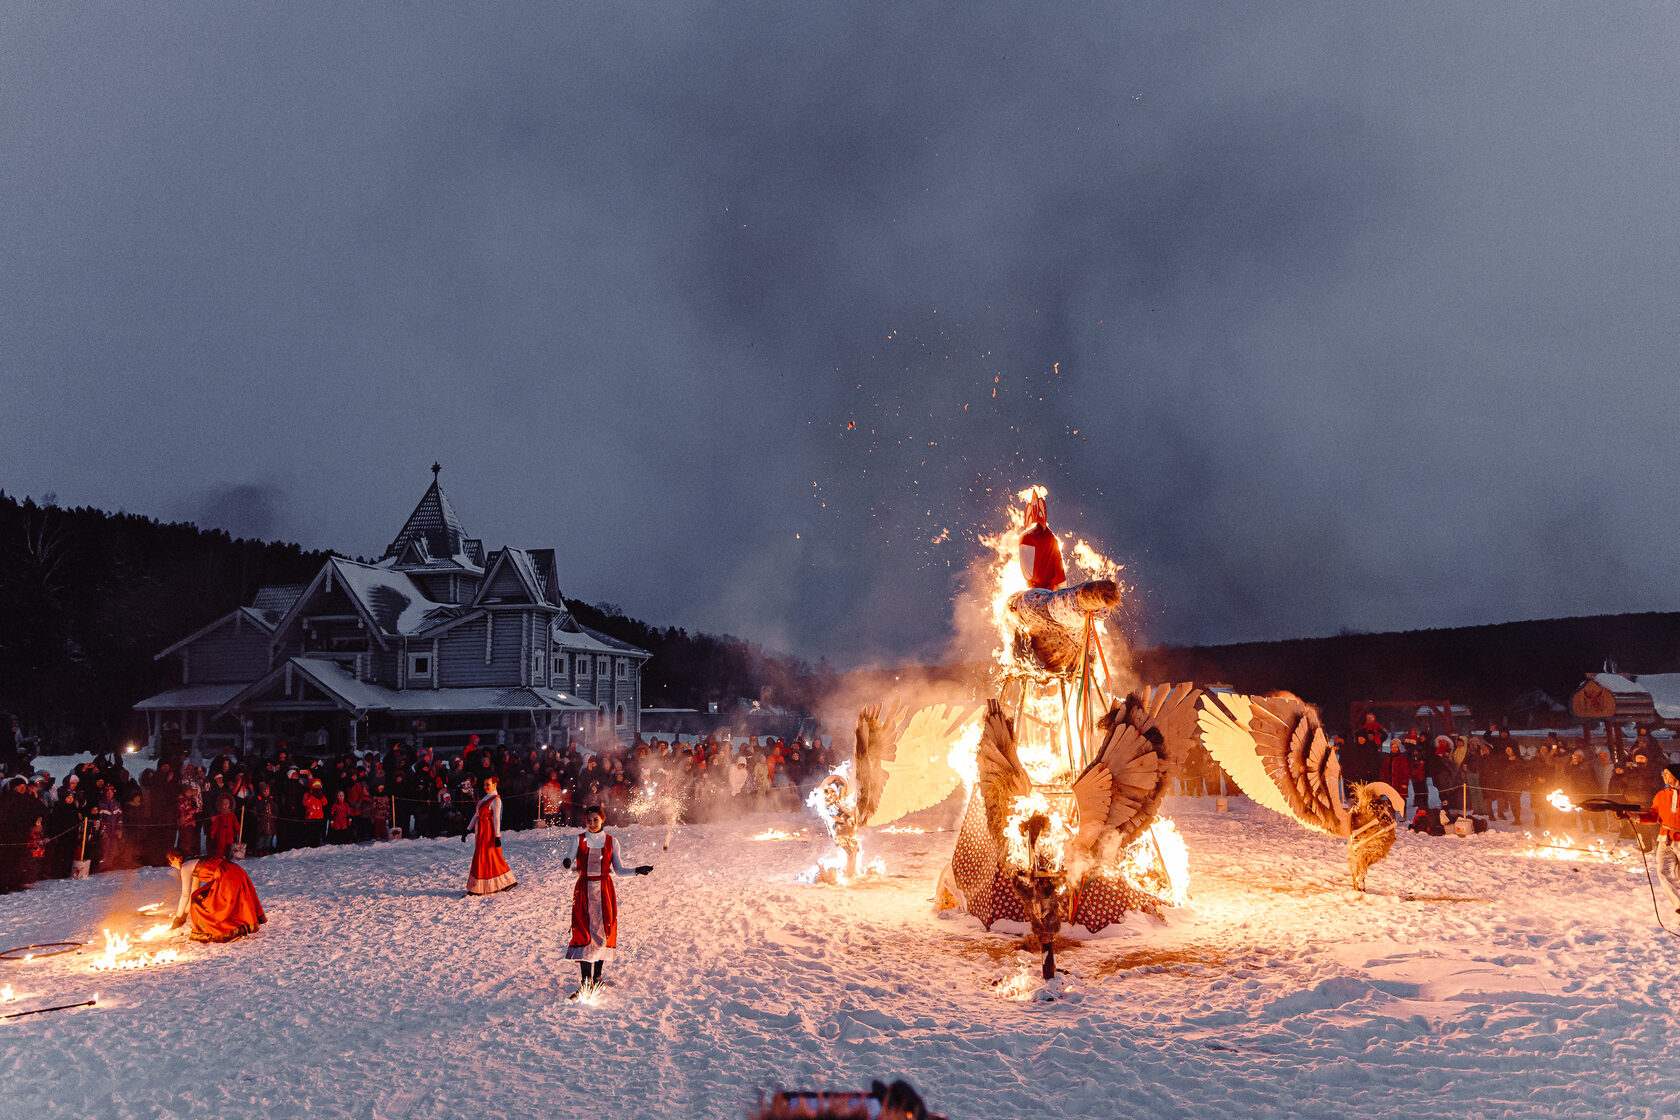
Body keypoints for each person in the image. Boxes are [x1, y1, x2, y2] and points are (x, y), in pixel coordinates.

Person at [561, 805, 652, 999]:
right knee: (584, 933)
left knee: (603, 932)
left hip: (604, 891)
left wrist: (637, 870)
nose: (592, 823)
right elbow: (569, 858)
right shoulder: (578, 839)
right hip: (584, 891)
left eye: (596, 819)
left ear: (602, 819)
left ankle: (597, 977)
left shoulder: (612, 841)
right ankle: (585, 982)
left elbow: (618, 870)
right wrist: (568, 863)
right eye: (589, 820)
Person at [166, 847, 266, 942]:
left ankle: (221, 931)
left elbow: (185, 894)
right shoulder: (194, 861)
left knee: (212, 906)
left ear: (176, 858)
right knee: (197, 897)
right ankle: (234, 927)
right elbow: (193, 893)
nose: (171, 865)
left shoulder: (186, 867)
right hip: (234, 871)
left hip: (227, 875)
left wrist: (179, 918)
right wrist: (184, 915)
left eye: (170, 862)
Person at [462, 775, 516, 896]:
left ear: (494, 785)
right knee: (485, 857)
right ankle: (481, 886)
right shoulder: (484, 799)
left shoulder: (496, 800)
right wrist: (467, 829)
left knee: (491, 856)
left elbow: (496, 819)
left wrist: (497, 836)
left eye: (488, 784)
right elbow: (476, 815)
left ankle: (507, 881)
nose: (485, 787)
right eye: (484, 784)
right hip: (481, 832)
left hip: (489, 833)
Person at [1641, 765, 1680, 917]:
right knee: (1663, 872)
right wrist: (1633, 816)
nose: (1663, 776)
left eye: (1666, 773)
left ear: (1675, 776)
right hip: (1665, 839)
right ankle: (1679, 905)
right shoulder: (1661, 795)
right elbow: (1653, 815)